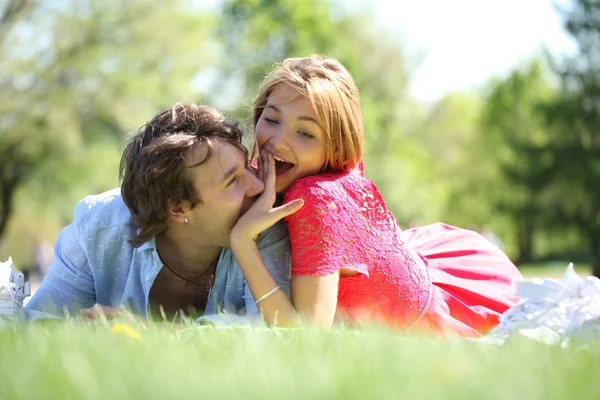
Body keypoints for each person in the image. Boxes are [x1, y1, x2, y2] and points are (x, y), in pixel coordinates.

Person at [229, 55, 523, 336]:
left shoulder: (317, 198)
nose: (277, 141)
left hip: (446, 305)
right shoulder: (268, 175)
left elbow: (306, 333)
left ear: (336, 146)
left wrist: (243, 242)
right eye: (271, 119)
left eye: (305, 133)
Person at [25, 104, 292, 323]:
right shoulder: (99, 226)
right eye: (233, 181)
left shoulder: (260, 227)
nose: (258, 186)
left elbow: (272, 330)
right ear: (178, 207)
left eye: (246, 167)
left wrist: (147, 334)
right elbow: (41, 321)